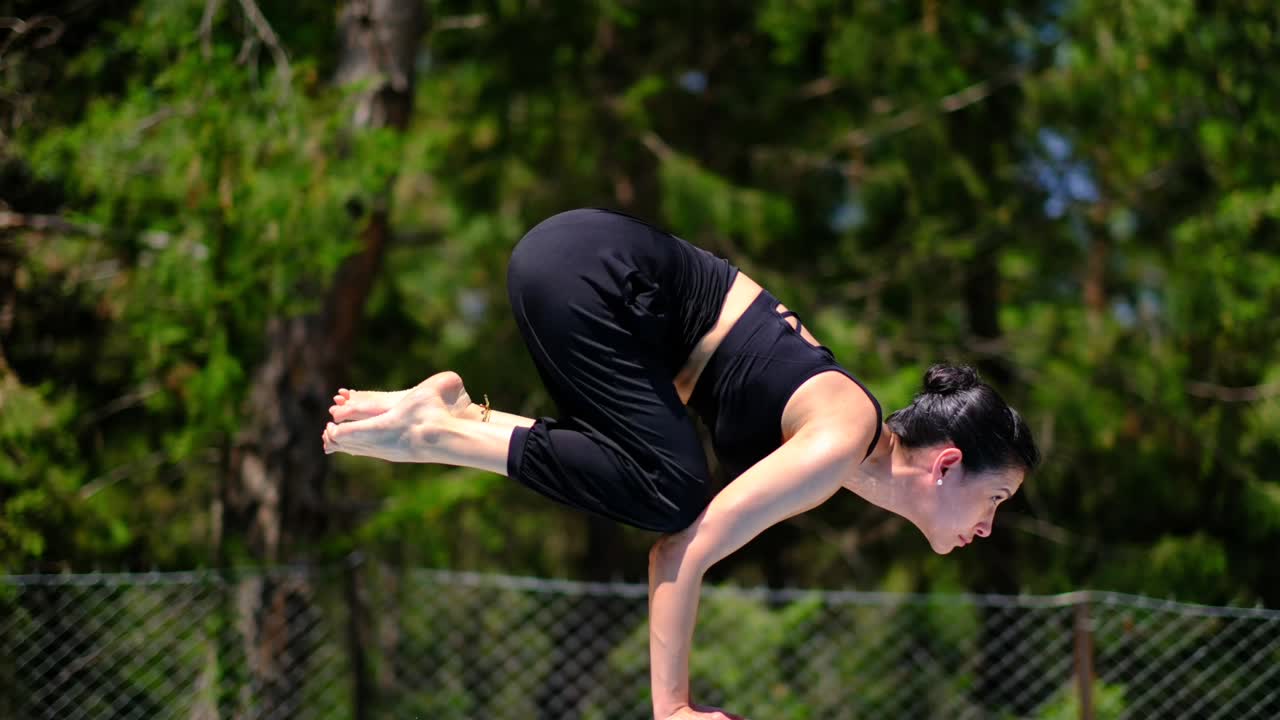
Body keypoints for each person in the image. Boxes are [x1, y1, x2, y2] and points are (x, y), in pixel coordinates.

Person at [321, 208, 1041, 720]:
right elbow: (679, 553)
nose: (987, 528)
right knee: (674, 495)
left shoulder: (842, 441)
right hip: (589, 272)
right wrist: (675, 710)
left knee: (658, 478)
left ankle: (450, 415)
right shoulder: (839, 439)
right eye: (997, 499)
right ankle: (435, 430)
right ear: (947, 464)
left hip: (581, 268)